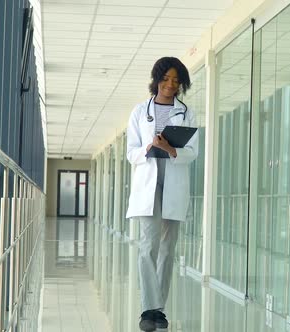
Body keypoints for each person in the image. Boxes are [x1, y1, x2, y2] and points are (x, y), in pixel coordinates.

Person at [125, 57, 198, 332]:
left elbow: (193, 152)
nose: (170, 85)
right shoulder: (139, 111)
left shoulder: (186, 113)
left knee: (168, 249)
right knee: (148, 246)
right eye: (166, 79)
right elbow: (131, 152)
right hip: (149, 180)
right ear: (156, 79)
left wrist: (169, 149)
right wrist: (149, 147)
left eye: (176, 81)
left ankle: (160, 311)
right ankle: (148, 308)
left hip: (174, 178)